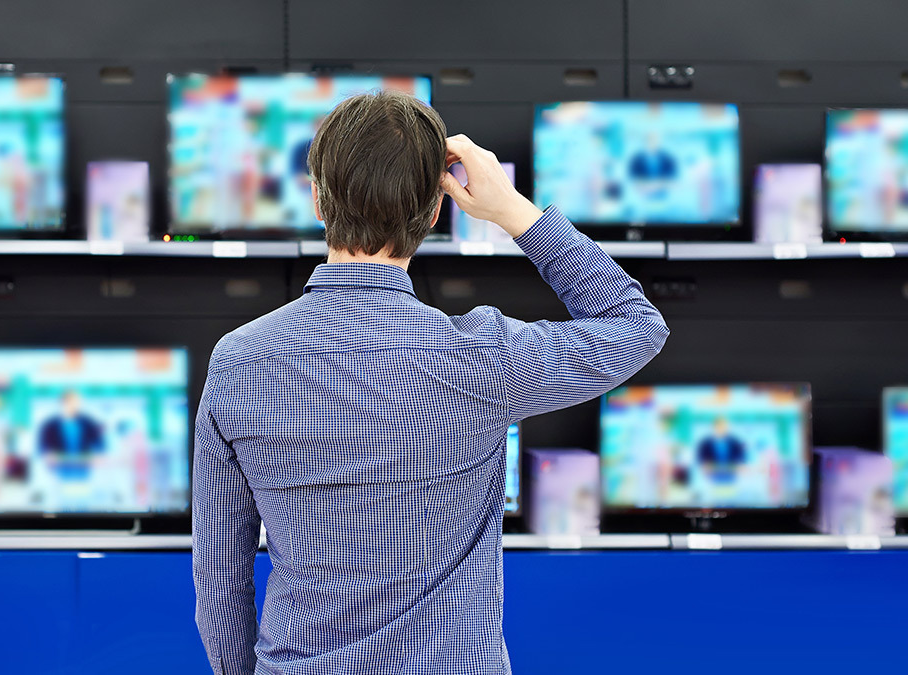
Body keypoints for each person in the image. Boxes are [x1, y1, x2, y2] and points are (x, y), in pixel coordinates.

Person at [193, 90, 668, 675]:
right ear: (437, 211)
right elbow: (636, 326)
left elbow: (221, 583)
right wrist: (515, 212)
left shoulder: (240, 359)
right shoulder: (482, 356)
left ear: (318, 200)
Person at [37, 390, 105, 480]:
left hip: (83, 467)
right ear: (63, 403)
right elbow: (42, 446)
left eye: (77, 403)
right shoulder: (50, 424)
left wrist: (97, 455)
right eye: (72, 403)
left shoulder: (88, 422)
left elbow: (100, 444)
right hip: (59, 469)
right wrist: (48, 454)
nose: (76, 406)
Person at [696, 417, 747, 484]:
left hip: (731, 474)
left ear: (727, 427)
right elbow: (700, 458)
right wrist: (704, 465)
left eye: (723, 427)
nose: (721, 429)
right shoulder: (705, 443)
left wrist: (740, 464)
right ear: (714, 428)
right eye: (718, 427)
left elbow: (741, 456)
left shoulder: (735, 442)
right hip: (712, 475)